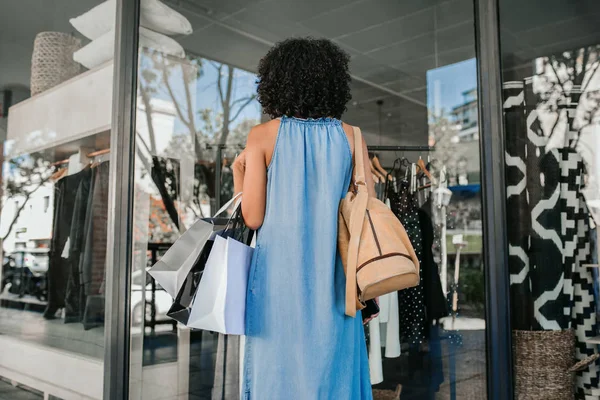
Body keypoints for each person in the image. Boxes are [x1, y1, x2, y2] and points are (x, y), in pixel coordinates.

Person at [232, 37, 375, 399]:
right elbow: (367, 210)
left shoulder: (262, 136)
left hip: (278, 284)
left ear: (276, 83)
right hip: (336, 279)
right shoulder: (352, 137)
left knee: (277, 375)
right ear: (332, 83)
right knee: (334, 372)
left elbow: (252, 217)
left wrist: (238, 173)